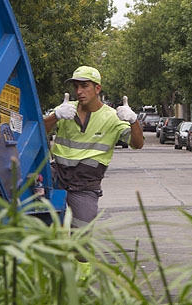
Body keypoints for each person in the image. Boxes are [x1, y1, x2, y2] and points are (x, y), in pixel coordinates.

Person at [44, 65, 144, 229]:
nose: (79, 91)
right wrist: (55, 116)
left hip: (85, 186)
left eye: (84, 86)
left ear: (97, 88)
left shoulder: (112, 117)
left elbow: (137, 144)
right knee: (43, 230)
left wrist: (134, 121)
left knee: (81, 239)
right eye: (76, 86)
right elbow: (39, 132)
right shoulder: (66, 110)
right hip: (57, 179)